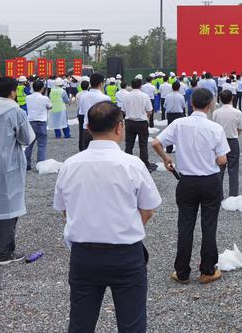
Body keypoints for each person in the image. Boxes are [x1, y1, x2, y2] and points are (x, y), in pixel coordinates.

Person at [53, 101, 162, 332]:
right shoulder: (132, 164)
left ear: (89, 128)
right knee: (132, 323)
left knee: (81, 323)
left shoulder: (70, 165)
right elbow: (148, 209)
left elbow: (65, 210)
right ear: (119, 127)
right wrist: (126, 227)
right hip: (126, 254)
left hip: (84, 254)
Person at [151, 88, 229, 284]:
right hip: (210, 180)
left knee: (185, 225)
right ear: (210, 104)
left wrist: (166, 158)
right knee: (209, 225)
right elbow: (221, 160)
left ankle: (182, 271)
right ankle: (207, 270)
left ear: (191, 103)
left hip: (186, 181)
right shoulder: (215, 128)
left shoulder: (179, 124)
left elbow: (155, 143)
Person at [0, 77, 35, 265]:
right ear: (12, 91)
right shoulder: (15, 111)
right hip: (10, 164)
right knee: (10, 206)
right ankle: (5, 253)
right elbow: (27, 138)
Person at [213, 89, 242, 197]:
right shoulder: (237, 112)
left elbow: (214, 128)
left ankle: (218, 195)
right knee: (233, 169)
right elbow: (240, 129)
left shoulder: (216, 112)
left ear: (220, 99)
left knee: (219, 169)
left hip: (219, 142)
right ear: (232, 98)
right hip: (232, 141)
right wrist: (234, 135)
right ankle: (233, 195)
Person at [123, 78, 155, 171]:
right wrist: (146, 116)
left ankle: (128, 164)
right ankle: (144, 163)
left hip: (129, 122)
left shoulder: (126, 96)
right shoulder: (144, 96)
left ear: (131, 86)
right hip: (141, 123)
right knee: (143, 144)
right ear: (141, 85)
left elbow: (123, 110)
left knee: (129, 145)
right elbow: (150, 110)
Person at [77, 73, 111, 151]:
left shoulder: (83, 97)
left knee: (87, 155)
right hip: (101, 131)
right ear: (101, 83)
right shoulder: (106, 98)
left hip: (87, 129)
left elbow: (82, 110)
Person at [24, 80, 52, 171]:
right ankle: (40, 165)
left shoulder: (28, 97)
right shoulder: (45, 98)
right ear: (42, 88)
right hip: (41, 123)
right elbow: (50, 106)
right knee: (41, 145)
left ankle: (27, 164)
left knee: (29, 145)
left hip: (30, 122)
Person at [75, 77, 90, 150]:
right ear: (88, 86)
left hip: (80, 113)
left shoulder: (78, 94)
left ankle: (81, 147)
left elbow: (77, 104)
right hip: (87, 113)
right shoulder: (89, 94)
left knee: (81, 131)